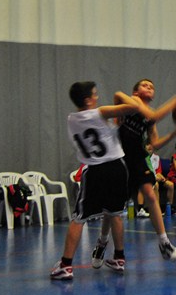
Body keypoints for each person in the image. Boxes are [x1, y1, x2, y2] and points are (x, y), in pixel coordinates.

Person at [92, 79, 176, 266]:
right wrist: (175, 100)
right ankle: (102, 242)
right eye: (145, 85)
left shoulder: (149, 117)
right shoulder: (130, 102)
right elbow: (118, 94)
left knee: (150, 194)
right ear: (135, 92)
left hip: (136, 157)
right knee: (112, 210)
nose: (149, 87)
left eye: (152, 86)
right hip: (118, 157)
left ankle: (164, 243)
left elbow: (155, 143)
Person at [50, 81, 136, 280]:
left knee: (79, 218)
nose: (97, 97)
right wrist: (120, 95)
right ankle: (119, 258)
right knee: (115, 214)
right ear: (88, 100)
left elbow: (99, 131)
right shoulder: (101, 112)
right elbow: (134, 107)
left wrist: (113, 126)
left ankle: (66, 265)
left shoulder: (72, 119)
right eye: (95, 95)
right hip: (117, 167)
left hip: (95, 169)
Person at [146, 142, 173, 217]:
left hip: (156, 177)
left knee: (171, 185)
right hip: (148, 178)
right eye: (148, 145)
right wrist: (155, 177)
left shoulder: (157, 157)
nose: (150, 147)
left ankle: (169, 207)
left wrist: (162, 177)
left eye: (151, 145)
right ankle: (157, 209)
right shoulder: (143, 158)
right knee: (156, 185)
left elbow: (158, 171)